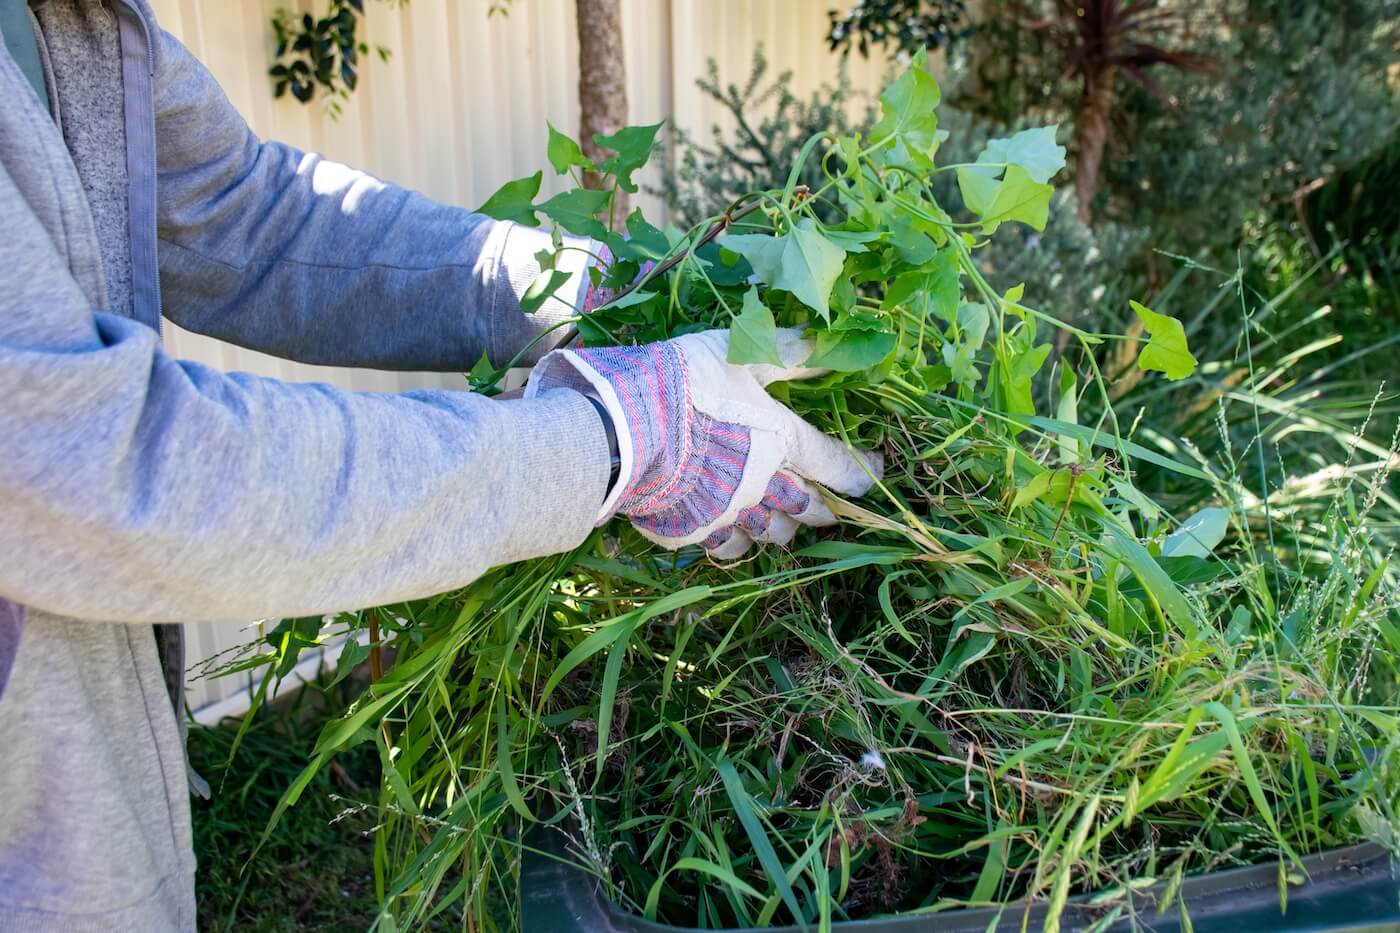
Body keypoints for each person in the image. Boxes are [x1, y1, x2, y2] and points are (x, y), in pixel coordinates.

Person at [0, 1, 880, 929]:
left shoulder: (68, 19)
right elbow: (95, 460)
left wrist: (544, 288)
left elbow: (236, 213)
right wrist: (616, 440)